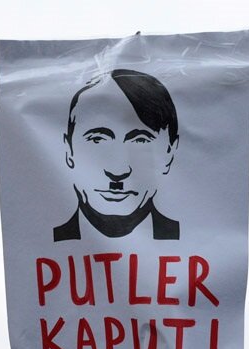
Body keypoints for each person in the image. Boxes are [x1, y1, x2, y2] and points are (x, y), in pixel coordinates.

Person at [54, 69, 180, 242]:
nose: (117, 171)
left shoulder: (197, 240)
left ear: (169, 153)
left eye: (140, 141)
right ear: (69, 150)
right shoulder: (35, 244)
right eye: (97, 139)